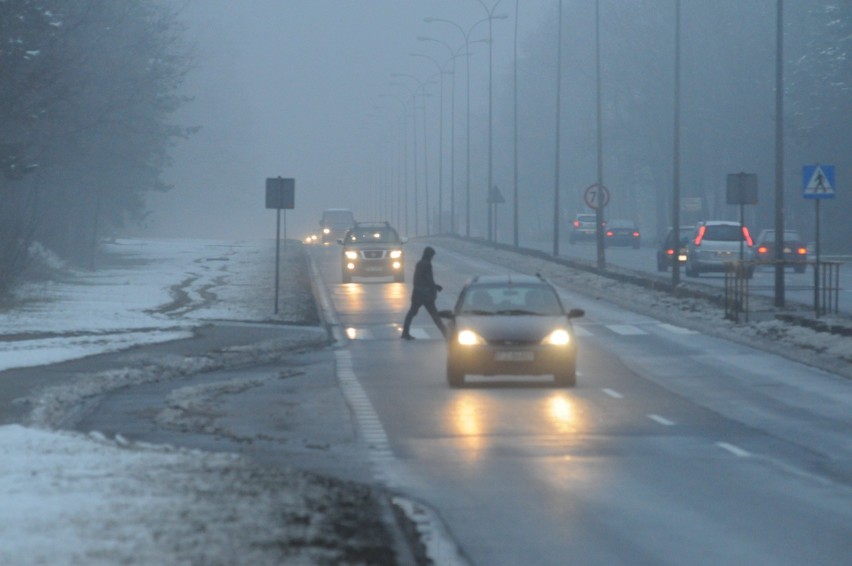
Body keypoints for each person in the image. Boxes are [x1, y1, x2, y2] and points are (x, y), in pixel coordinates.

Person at [401, 246, 447, 340]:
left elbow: (421, 278)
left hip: (417, 293)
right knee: (435, 315)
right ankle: (446, 334)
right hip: (426, 295)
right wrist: (435, 287)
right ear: (429, 255)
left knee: (411, 313)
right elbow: (428, 279)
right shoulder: (427, 264)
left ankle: (405, 332)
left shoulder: (419, 263)